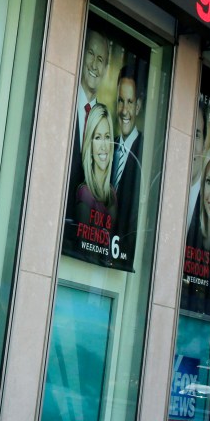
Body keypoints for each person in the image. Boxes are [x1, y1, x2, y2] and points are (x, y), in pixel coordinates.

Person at [68, 28, 111, 210]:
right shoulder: (64, 101)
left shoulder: (105, 124)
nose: (94, 65)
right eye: (91, 54)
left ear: (106, 70)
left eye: (100, 60)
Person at [112, 63, 143, 265]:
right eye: (121, 101)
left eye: (130, 102)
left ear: (138, 107)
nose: (124, 110)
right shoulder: (108, 145)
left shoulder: (143, 153)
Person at [75, 103, 116, 230]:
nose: (104, 146)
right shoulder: (85, 194)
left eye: (107, 137)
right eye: (98, 138)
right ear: (90, 145)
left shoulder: (112, 194)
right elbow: (84, 245)